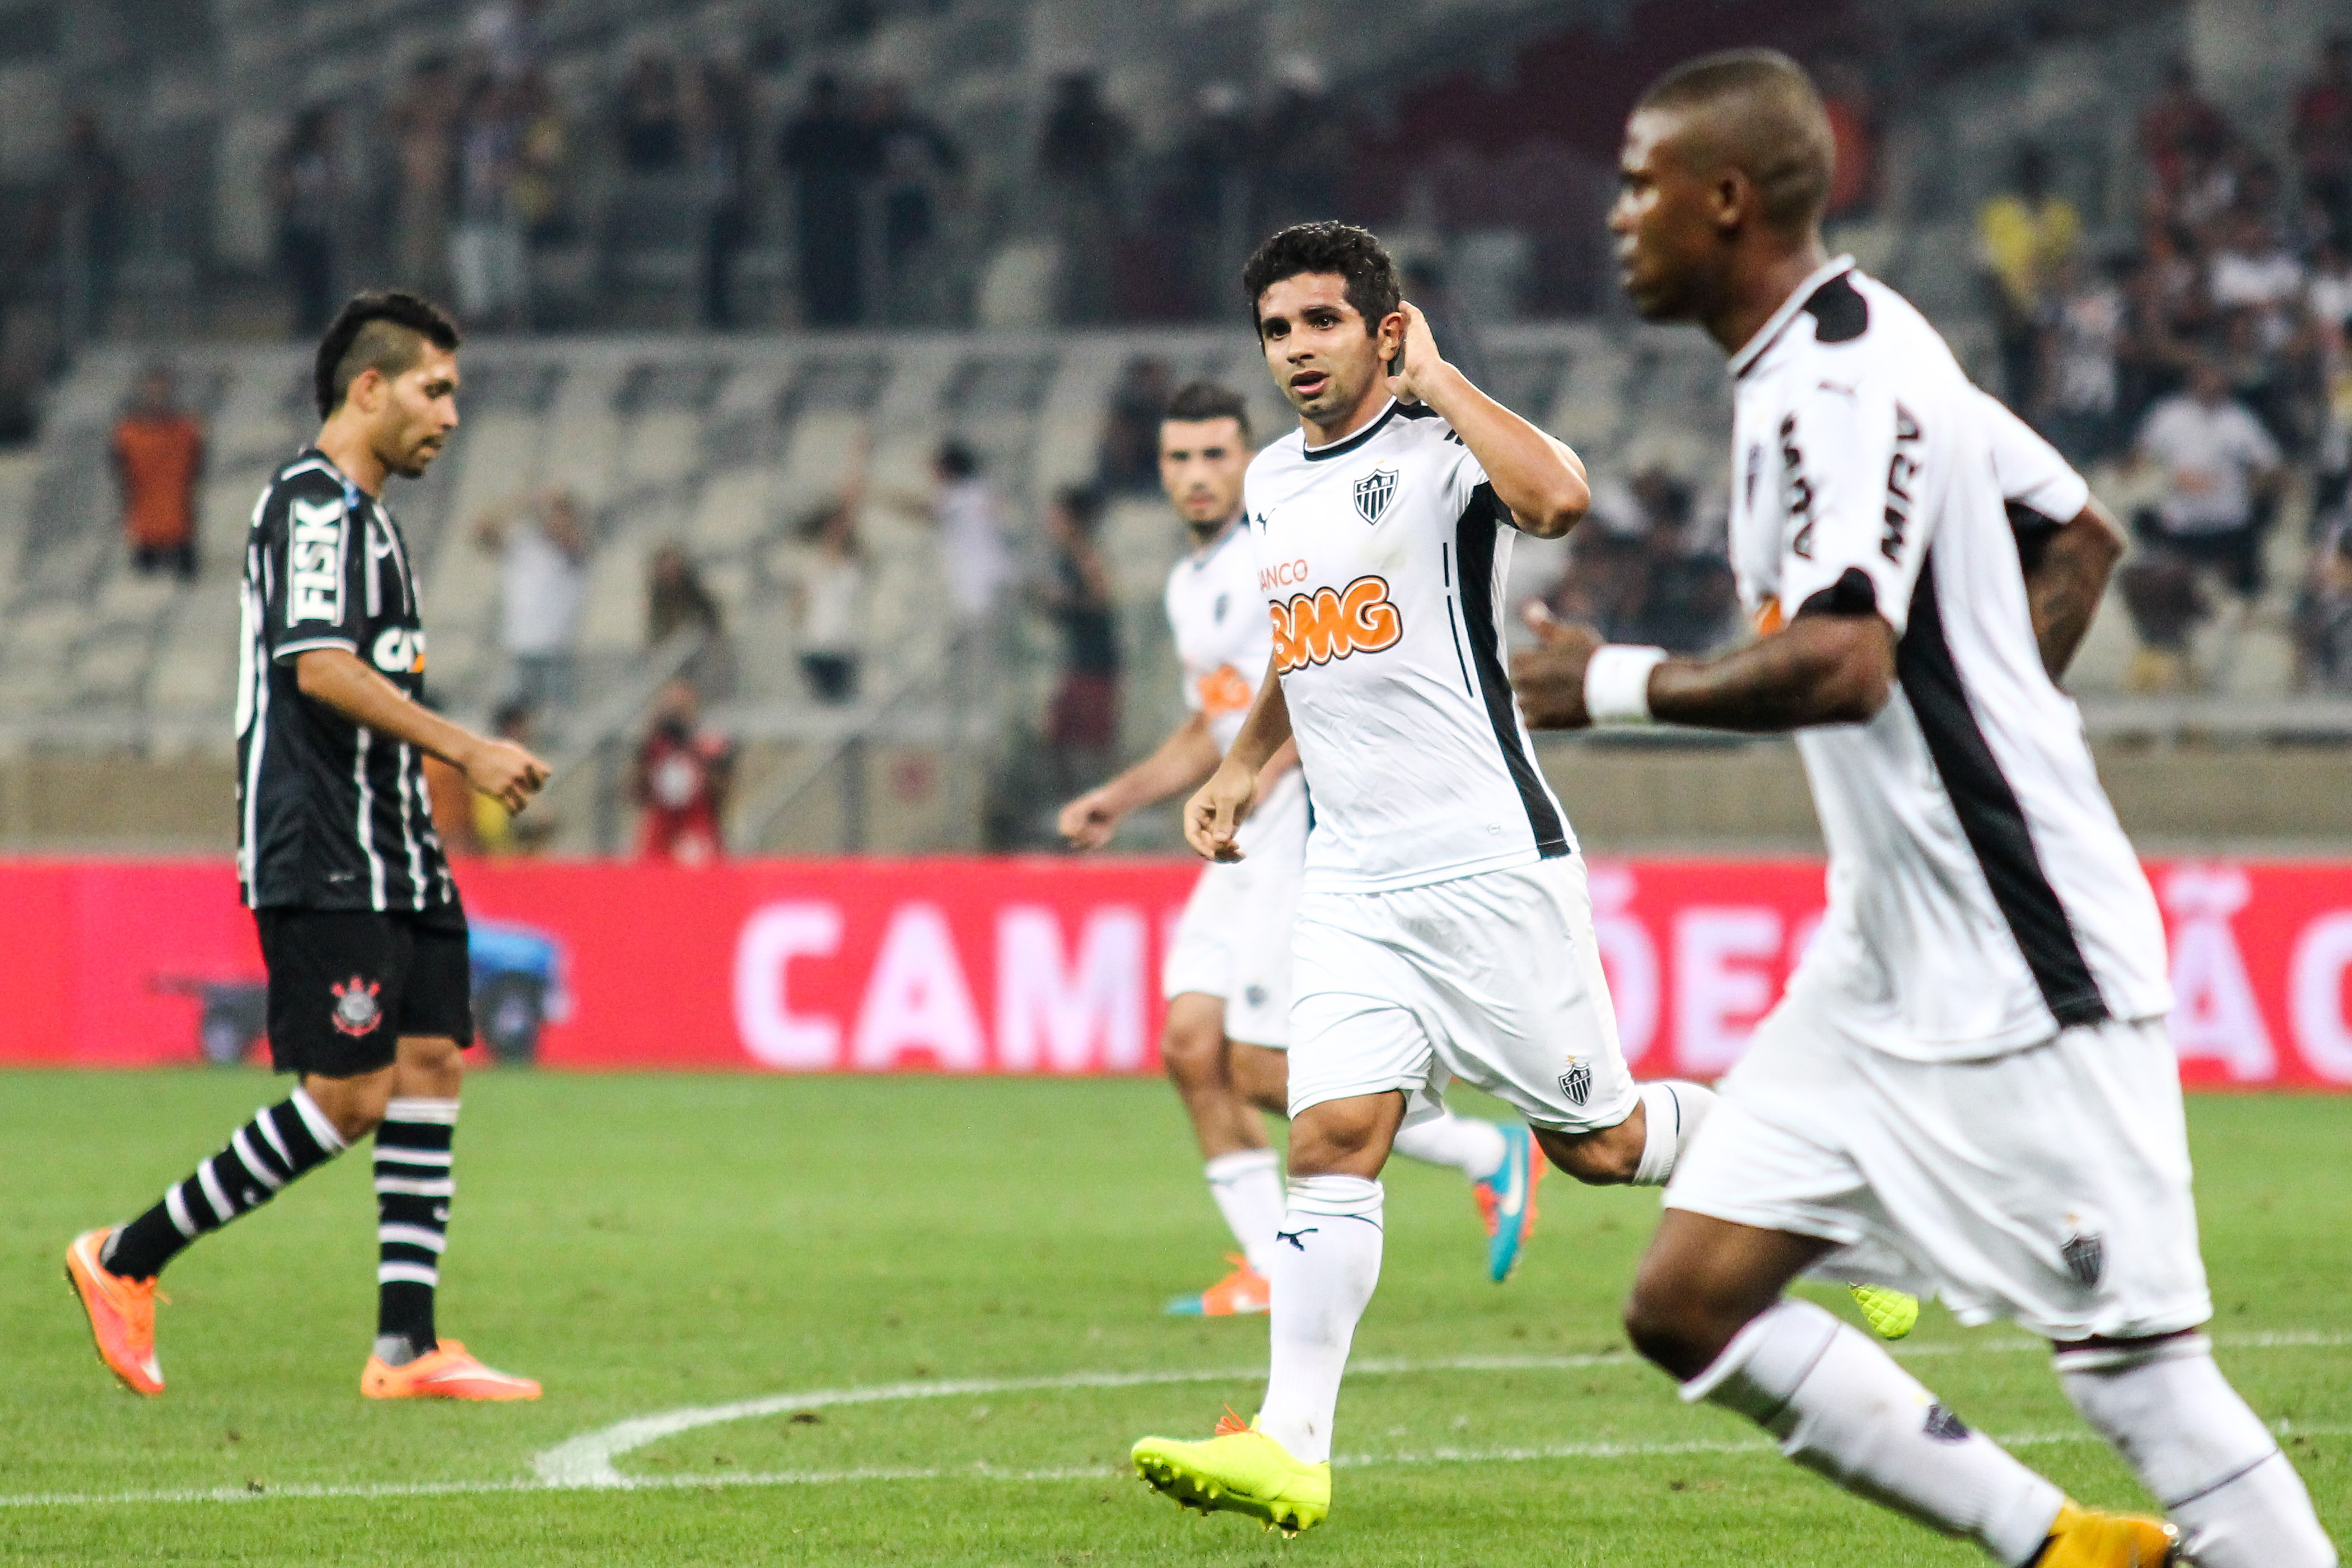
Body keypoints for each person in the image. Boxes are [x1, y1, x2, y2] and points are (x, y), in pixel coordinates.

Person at [1514, 50, 2336, 1568]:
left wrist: (1610, 683)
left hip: (2027, 963)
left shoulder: (1840, 381)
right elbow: (2078, 534)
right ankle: (2064, 1547)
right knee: (1687, 1303)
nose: (1618, 217)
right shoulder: (1872, 347)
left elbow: (1842, 660)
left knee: (2141, 1377)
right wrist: (1997, 728)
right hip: (1883, 962)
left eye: (1640, 186)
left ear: (1727, 198)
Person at [1127, 222, 1719, 1535]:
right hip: (1351, 874)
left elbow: (1561, 499)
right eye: (1277, 329)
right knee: (1332, 1136)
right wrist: (1241, 767)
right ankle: (1292, 1442)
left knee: (1601, 1143)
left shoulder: (1445, 450)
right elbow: (1305, 645)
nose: (1294, 351)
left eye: (1322, 323)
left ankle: (1812, 1166)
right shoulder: (1275, 482)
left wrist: (1440, 380)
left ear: (1382, 329)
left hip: (1485, 864)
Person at [66, 291, 550, 1402]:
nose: (452, 414)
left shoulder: (371, 519)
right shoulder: (314, 505)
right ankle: (125, 1256)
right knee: (349, 1093)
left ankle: (406, 1345)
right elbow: (318, 666)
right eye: (436, 389)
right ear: (368, 388)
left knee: (431, 1060)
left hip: (396, 841)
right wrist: (467, 749)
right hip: (323, 837)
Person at [1058, 380, 1548, 1318]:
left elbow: (1320, 680)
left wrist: (1257, 782)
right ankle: (1267, 1267)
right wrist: (1120, 799)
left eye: (1214, 455)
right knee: (1188, 1047)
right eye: (1178, 458)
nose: (1197, 476)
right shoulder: (1187, 583)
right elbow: (1216, 727)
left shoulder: (1274, 552)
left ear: (1247, 457)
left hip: (1303, 828)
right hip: (1246, 822)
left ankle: (1482, 1150)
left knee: (1256, 1067)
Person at [473, 485, 589, 711]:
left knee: (555, 719)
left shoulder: (573, 548)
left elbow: (573, 542)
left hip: (556, 651)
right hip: (519, 647)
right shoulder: (524, 542)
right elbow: (481, 529)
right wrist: (521, 503)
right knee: (512, 717)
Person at [1039, 486, 1121, 795]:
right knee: (1058, 735)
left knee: (1092, 739)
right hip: (1076, 658)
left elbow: (1101, 600)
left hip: (1095, 660)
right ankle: (1071, 798)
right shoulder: (1064, 557)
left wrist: (1063, 600)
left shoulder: (1086, 554)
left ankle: (1103, 797)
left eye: (1057, 516)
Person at [778, 74, 874, 327]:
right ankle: (822, 309)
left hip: (835, 198)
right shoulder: (810, 126)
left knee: (839, 255)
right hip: (818, 199)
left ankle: (839, 309)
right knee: (819, 256)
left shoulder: (843, 127)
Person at [112, 363, 205, 580]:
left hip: (180, 526)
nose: (157, 396)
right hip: (145, 529)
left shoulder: (185, 431)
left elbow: (196, 471)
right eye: (152, 389)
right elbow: (121, 475)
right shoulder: (129, 434)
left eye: (162, 389)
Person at [633, 678, 734, 864]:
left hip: (697, 820)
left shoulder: (707, 743)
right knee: (652, 869)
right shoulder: (656, 745)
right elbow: (637, 790)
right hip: (663, 821)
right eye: (671, 707)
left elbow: (722, 790)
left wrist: (700, 759)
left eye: (681, 707)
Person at [273, 107, 343, 335]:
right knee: (304, 288)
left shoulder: (326, 156)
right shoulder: (295, 158)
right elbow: (281, 189)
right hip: (298, 228)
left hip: (320, 229)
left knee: (322, 288)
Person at [792, 497, 864, 703]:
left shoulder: (851, 567)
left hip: (842, 646)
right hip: (814, 645)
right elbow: (798, 602)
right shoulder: (810, 563)